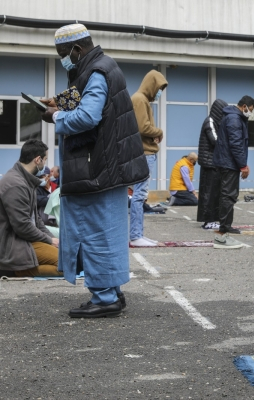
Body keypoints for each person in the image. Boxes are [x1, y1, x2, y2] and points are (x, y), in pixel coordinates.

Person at [40, 24, 149, 318]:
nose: (64, 59)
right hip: (107, 168)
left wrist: (56, 115)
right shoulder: (101, 66)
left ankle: (104, 298)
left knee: (93, 233)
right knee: (108, 231)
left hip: (96, 169)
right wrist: (58, 102)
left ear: (77, 48)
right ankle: (111, 291)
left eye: (64, 53)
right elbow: (85, 98)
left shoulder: (97, 71)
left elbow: (88, 115)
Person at [0, 140, 61, 278]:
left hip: (28, 240)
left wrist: (51, 239)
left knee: (67, 260)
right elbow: (22, 226)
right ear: (37, 160)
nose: (45, 164)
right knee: (66, 265)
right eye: (45, 160)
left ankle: (22, 268)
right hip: (16, 245)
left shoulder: (26, 181)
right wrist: (50, 241)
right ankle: (17, 270)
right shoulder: (15, 184)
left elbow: (37, 221)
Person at [129, 70, 168, 247]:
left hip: (143, 153)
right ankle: (136, 236)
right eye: (159, 88)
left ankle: (138, 235)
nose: (159, 92)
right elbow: (143, 127)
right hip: (144, 153)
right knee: (139, 195)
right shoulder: (140, 99)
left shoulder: (141, 99)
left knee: (138, 195)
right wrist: (159, 132)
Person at [212, 95, 254, 248]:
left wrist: (242, 164)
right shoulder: (234, 119)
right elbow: (236, 144)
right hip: (228, 163)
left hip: (228, 162)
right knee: (228, 195)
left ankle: (226, 227)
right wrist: (242, 165)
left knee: (228, 195)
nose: (250, 113)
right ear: (244, 106)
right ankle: (223, 231)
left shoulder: (233, 117)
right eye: (250, 109)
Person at [197, 99, 228, 229]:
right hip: (209, 164)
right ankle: (208, 220)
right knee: (208, 193)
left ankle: (212, 219)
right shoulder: (209, 122)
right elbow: (215, 140)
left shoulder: (215, 122)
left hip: (213, 163)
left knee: (214, 193)